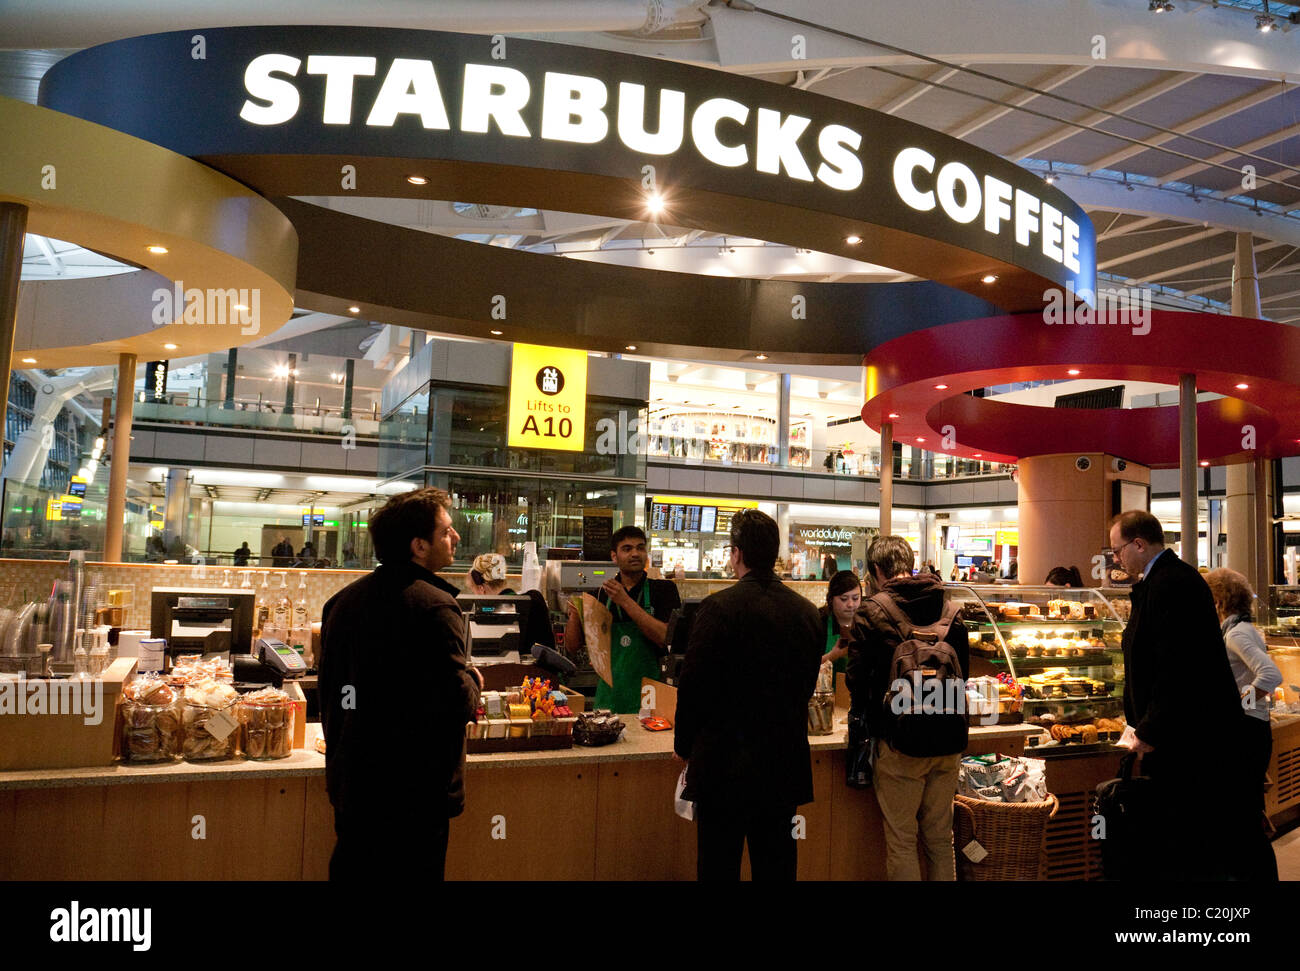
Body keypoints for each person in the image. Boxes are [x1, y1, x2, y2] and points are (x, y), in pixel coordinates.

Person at [319, 487, 481, 882]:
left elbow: (334, 696)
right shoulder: (437, 606)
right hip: (416, 795)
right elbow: (456, 702)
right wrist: (473, 681)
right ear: (419, 546)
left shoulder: (342, 602)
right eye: (446, 531)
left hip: (355, 787)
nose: (456, 538)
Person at [674, 509, 823, 881]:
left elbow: (693, 684)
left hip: (724, 767)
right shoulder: (806, 613)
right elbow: (806, 684)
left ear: (736, 553)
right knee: (777, 867)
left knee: (718, 867)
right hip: (781, 766)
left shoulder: (718, 608)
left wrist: (683, 743)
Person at [1108, 510, 1251, 880]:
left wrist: (1149, 729)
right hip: (1182, 736)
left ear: (1139, 544)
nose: (1115, 559)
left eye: (1118, 550)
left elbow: (1178, 667)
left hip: (1189, 742)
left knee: (1193, 842)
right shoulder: (1163, 579)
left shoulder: (1172, 583)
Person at [848, 534, 969, 881]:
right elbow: (964, 677)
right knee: (939, 838)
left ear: (875, 570)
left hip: (898, 744)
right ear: (908, 563)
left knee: (902, 841)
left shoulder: (872, 611)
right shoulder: (949, 608)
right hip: (948, 741)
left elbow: (857, 680)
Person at [1205, 567, 1282, 881]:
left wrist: (1235, 702)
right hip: (1252, 731)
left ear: (1219, 600)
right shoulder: (1241, 628)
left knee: (1243, 818)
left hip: (1245, 733)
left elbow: (1271, 675)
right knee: (1245, 815)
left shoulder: (1236, 633)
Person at [563, 526, 681, 713]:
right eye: (627, 549)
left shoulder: (664, 590)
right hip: (609, 698)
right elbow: (572, 646)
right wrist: (575, 614)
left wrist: (625, 601)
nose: (635, 553)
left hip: (653, 696)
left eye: (640, 548)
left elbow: (666, 637)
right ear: (614, 556)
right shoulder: (601, 595)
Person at [467, 551, 555, 651]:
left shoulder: (485, 614)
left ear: (481, 589)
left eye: (473, 590)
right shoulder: (534, 599)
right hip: (537, 666)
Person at [819, 570, 865, 678]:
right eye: (844, 599)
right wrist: (833, 655)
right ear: (831, 599)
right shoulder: (819, 622)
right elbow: (803, 667)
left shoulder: (867, 622)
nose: (850, 604)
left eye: (855, 598)